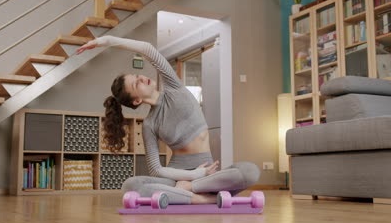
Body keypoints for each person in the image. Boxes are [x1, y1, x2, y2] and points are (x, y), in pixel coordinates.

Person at [76, 36, 260, 204]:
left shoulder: (173, 87)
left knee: (250, 171)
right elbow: (156, 170)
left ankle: (189, 192)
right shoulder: (149, 124)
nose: (141, 78)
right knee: (131, 186)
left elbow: (147, 49)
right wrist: (197, 174)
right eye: (135, 83)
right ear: (137, 100)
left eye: (137, 75)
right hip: (180, 175)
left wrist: (107, 40)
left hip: (206, 172)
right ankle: (205, 199)